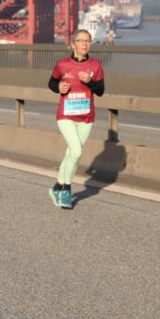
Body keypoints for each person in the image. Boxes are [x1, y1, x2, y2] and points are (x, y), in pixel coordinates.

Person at [47, 29, 105, 209]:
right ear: (73, 44)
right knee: (77, 152)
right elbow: (51, 83)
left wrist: (90, 82)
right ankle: (66, 189)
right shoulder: (62, 65)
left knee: (72, 154)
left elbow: (101, 91)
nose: (85, 44)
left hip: (86, 116)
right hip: (65, 115)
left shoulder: (95, 65)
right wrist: (60, 88)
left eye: (88, 41)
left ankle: (56, 186)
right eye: (81, 41)